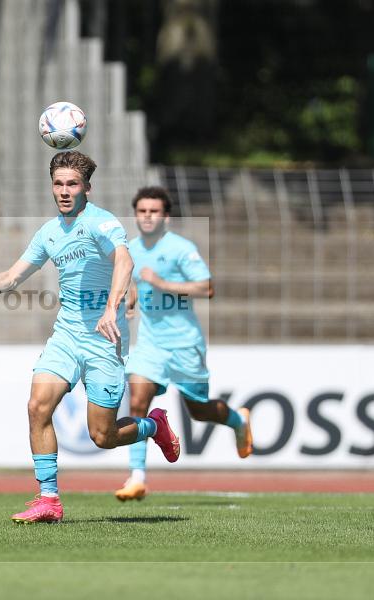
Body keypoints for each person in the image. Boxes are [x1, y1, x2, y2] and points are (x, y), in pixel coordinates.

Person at [0, 151, 180, 524]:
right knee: (37, 406)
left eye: (72, 184)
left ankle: (154, 425)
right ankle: (49, 500)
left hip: (104, 340)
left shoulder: (101, 223)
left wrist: (110, 308)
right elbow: (11, 278)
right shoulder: (48, 232)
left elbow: (125, 261)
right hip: (67, 337)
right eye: (58, 184)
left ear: (86, 188)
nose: (63, 191)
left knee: (103, 436)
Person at [115, 186, 252, 502]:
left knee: (200, 411)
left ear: (166, 217)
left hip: (185, 344)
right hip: (150, 344)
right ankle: (137, 477)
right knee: (137, 402)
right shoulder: (130, 249)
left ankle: (238, 420)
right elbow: (134, 286)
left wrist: (162, 283)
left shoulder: (180, 248)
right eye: (142, 211)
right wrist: (131, 300)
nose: (147, 216)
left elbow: (207, 288)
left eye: (154, 211)